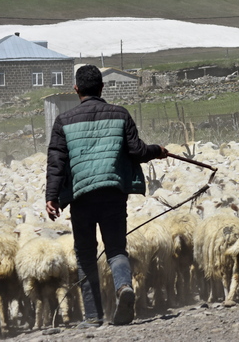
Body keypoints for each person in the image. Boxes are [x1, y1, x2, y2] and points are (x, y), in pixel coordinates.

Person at [46, 65, 167, 328]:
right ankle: (124, 286)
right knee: (115, 249)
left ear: (76, 89)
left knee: (86, 254)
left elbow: (56, 162)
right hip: (113, 193)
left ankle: (93, 316)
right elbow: (136, 150)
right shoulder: (120, 114)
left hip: (81, 197)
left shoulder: (63, 122)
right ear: (102, 88)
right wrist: (158, 150)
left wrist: (52, 196)